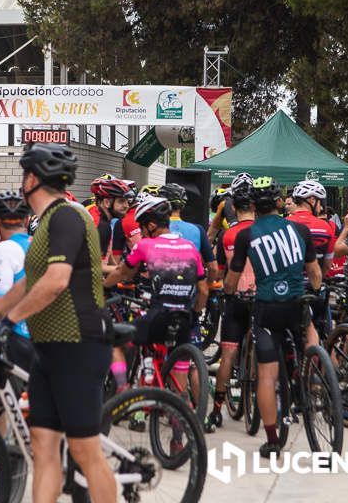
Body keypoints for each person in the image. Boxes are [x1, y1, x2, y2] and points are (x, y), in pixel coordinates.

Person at [0, 143, 116, 503]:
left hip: (79, 344)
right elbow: (28, 281)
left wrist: (10, 320)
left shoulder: (68, 216)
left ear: (33, 178)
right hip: (49, 348)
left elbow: (56, 280)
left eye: (24, 173)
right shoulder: (44, 225)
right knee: (43, 446)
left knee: (85, 451)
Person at [225, 177, 322, 458]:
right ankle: (316, 371)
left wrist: (229, 293)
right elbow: (314, 274)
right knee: (308, 325)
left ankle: (271, 440)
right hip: (296, 304)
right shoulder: (300, 230)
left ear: (253, 205)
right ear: (280, 203)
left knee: (267, 376)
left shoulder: (246, 235)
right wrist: (317, 289)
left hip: (267, 308)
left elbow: (232, 280)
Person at [103, 196, 208, 420]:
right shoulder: (190, 247)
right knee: (180, 377)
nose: (141, 231)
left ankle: (123, 391)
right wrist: (195, 312)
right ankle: (179, 437)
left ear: (151, 225)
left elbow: (123, 273)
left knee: (115, 341)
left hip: (158, 315)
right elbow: (204, 290)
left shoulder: (146, 245)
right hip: (185, 318)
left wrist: (102, 286)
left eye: (142, 227)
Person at [206, 182, 256, 432]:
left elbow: (221, 270)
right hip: (262, 299)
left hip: (235, 297)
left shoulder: (228, 235)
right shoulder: (264, 230)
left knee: (228, 354)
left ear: (234, 208)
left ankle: (216, 410)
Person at [0, 190, 34, 371]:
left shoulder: (5, 248)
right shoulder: (36, 243)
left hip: (20, 333)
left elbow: (2, 300)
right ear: (27, 220)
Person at [288, 179, 337, 337]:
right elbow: (328, 265)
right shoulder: (326, 227)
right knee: (321, 331)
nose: (321, 207)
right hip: (314, 286)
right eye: (319, 203)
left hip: (289, 288)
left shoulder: (283, 224)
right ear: (312, 200)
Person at [159, 183, 218, 280]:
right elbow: (213, 268)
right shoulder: (198, 230)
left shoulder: (154, 228)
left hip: (160, 287)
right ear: (182, 205)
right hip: (189, 288)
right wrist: (208, 285)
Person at [90, 178, 132, 271]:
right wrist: (124, 271)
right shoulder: (102, 226)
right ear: (106, 203)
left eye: (126, 201)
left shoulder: (97, 214)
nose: (127, 205)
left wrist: (117, 267)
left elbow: (107, 253)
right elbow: (96, 268)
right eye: (121, 201)